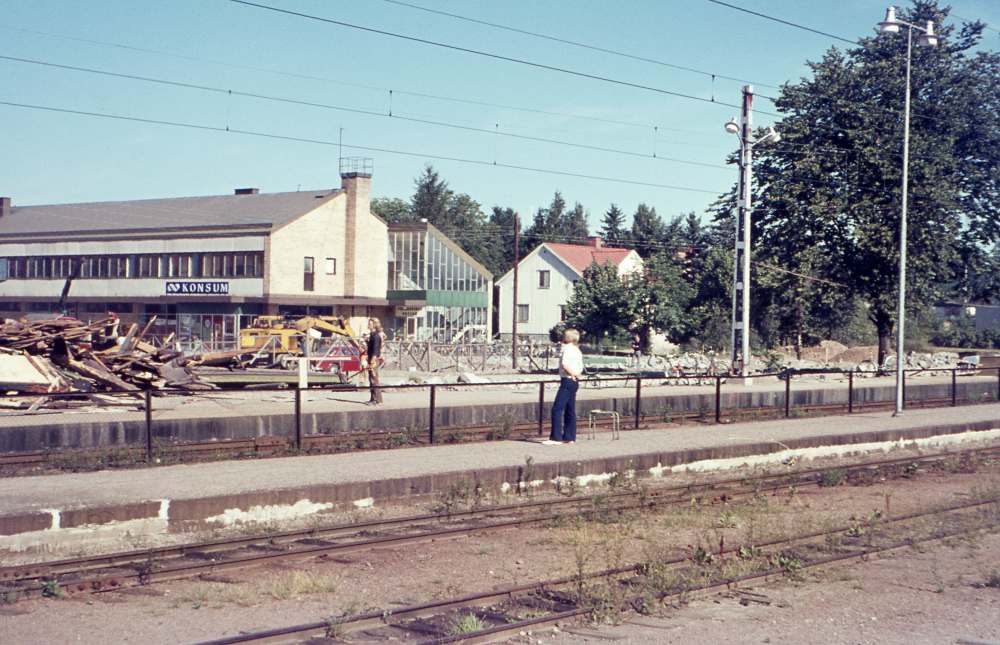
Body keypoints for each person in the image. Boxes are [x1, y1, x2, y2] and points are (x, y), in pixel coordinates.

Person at [543, 328, 583, 444]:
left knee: (557, 409)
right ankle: (569, 437)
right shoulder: (577, 350)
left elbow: (564, 365)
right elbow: (581, 367)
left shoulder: (566, 350)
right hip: (574, 382)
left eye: (564, 335)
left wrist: (571, 374)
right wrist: (576, 374)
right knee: (570, 410)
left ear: (567, 338)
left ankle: (556, 438)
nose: (562, 337)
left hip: (567, 381)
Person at [363, 318, 383, 405]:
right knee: (371, 379)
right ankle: (372, 398)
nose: (368, 325)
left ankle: (377, 399)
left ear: (374, 325)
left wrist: (371, 362)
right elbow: (370, 348)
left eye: (370, 324)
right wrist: (365, 340)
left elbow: (375, 351)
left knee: (374, 380)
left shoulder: (376, 336)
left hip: (373, 360)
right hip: (371, 358)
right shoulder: (371, 335)